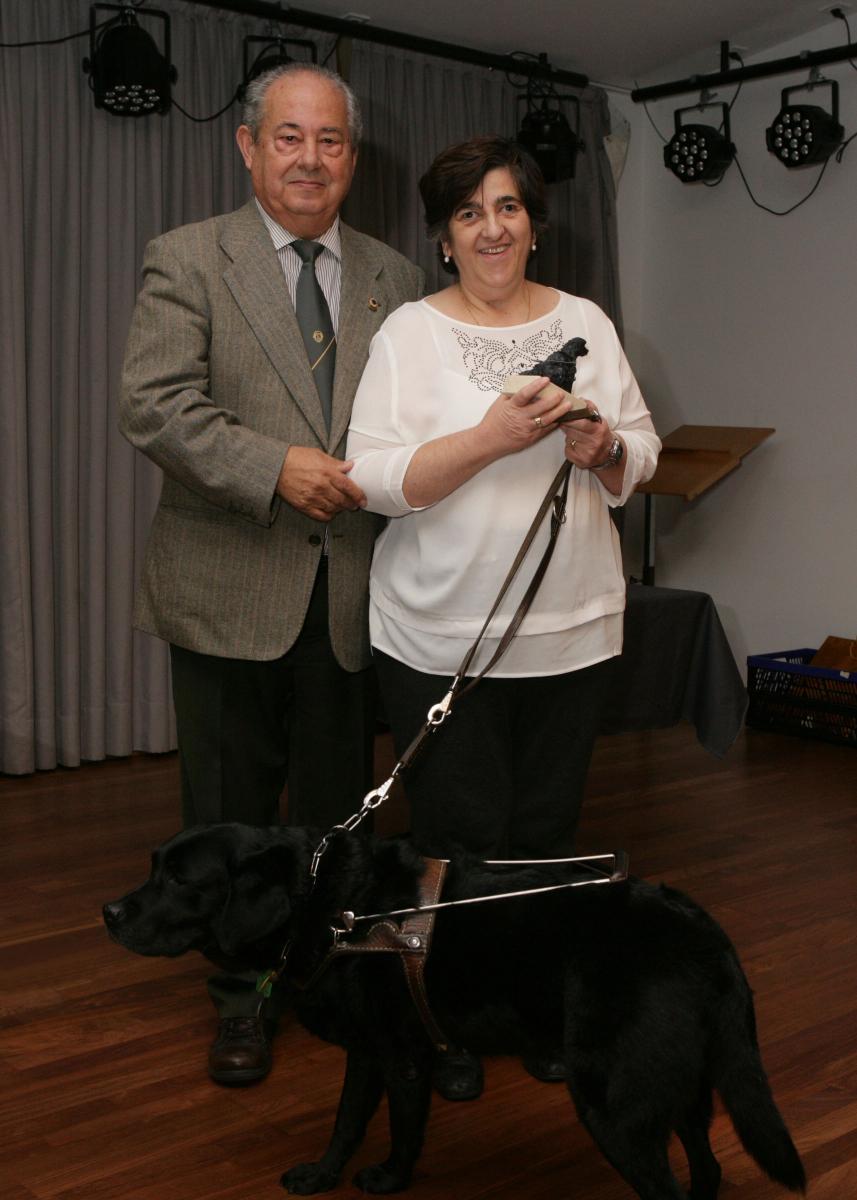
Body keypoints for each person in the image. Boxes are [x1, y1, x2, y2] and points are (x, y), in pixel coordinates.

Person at [119, 63, 423, 1087]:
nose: (309, 158)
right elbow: (155, 405)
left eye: (329, 141)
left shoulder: (396, 276)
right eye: (287, 137)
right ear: (247, 147)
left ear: (351, 156)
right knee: (230, 822)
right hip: (225, 592)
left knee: (339, 820)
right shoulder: (187, 258)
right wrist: (273, 467)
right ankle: (239, 999)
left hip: (347, 601)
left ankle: (333, 980)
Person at [345, 135, 660, 1100]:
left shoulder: (587, 321)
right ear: (443, 238)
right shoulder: (408, 333)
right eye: (469, 212)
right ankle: (448, 1019)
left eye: (509, 207)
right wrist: (490, 438)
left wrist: (604, 446)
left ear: (536, 223)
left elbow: (642, 454)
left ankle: (540, 1011)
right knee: (457, 842)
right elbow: (375, 481)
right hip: (438, 637)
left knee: (549, 841)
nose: (492, 228)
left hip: (569, 632)